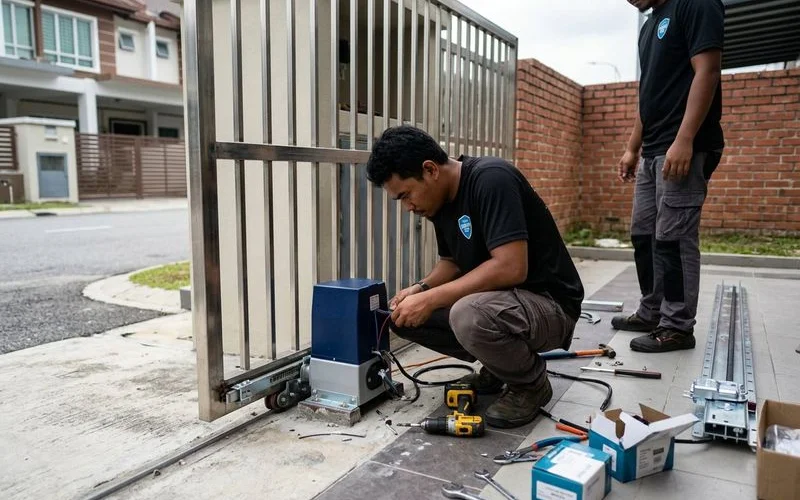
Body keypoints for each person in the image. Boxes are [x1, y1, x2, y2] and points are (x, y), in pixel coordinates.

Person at [365, 125, 585, 429]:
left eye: (406, 195)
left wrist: (430, 298)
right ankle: (500, 367)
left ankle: (530, 384)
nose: (407, 207)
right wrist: (419, 289)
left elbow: (511, 267)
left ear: (429, 170)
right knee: (401, 316)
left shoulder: (491, 178)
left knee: (468, 314)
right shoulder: (439, 203)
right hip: (506, 305)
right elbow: (452, 263)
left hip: (551, 306)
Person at [614, 0, 725, 353]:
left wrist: (685, 139)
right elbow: (649, 93)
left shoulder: (696, 4)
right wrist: (633, 147)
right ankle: (653, 310)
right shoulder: (648, 27)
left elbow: (707, 71)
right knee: (644, 235)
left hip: (682, 146)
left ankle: (677, 326)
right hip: (652, 149)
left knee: (674, 239)